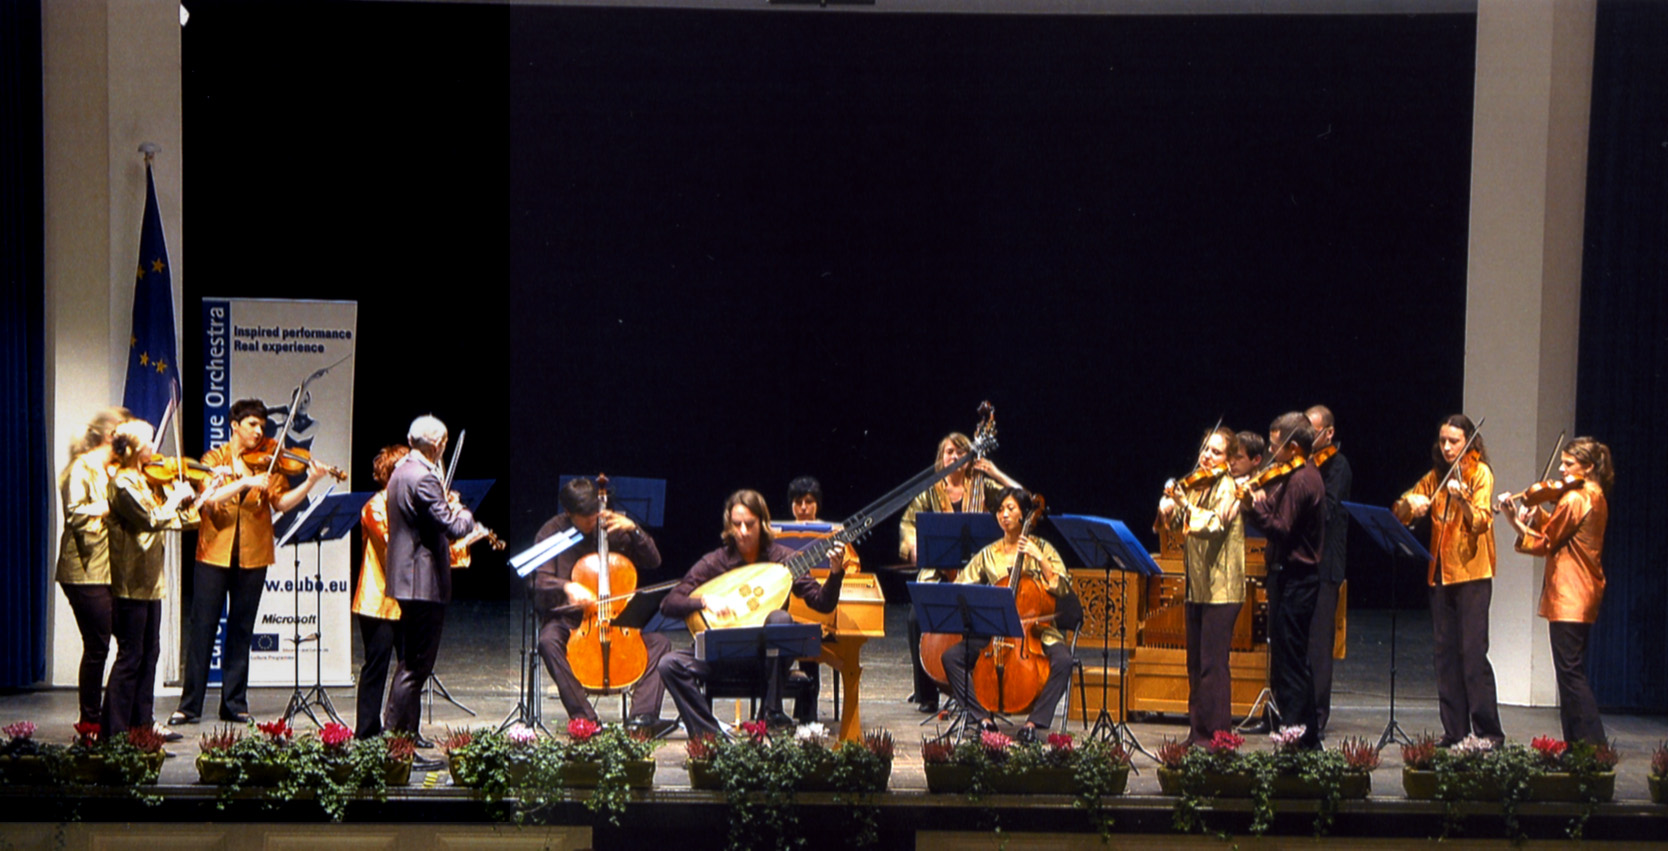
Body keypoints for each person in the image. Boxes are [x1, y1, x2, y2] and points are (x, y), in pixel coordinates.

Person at [171, 398, 330, 726]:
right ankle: (189, 706)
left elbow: (282, 503)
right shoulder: (214, 459)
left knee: (242, 630)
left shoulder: (269, 464)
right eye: (252, 425)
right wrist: (243, 482)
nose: (259, 432)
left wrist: (311, 482)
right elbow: (208, 499)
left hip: (254, 555)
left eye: (262, 426)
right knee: (203, 629)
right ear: (235, 425)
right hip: (214, 553)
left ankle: (234, 703)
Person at [658, 489, 845, 740]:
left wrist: (835, 573)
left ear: (763, 523)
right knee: (669, 664)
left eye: (750, 524)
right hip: (722, 657)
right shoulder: (715, 562)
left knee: (780, 619)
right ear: (729, 526)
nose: (743, 531)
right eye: (737, 525)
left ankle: (768, 717)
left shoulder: (785, 560)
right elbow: (669, 603)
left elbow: (822, 604)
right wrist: (704, 600)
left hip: (767, 661)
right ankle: (711, 736)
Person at [532, 477, 674, 738]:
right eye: (587, 518)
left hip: (617, 620)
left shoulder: (615, 527)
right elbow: (539, 579)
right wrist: (567, 587)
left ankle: (641, 720)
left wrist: (635, 530)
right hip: (571, 620)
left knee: (660, 645)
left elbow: (653, 561)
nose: (595, 522)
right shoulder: (552, 531)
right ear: (568, 513)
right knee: (548, 642)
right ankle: (586, 720)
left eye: (596, 515)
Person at [1394, 414, 1504, 746]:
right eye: (1442, 440)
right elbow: (1400, 509)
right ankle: (1454, 731)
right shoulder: (1436, 476)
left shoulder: (1479, 473)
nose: (1446, 447)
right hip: (1439, 574)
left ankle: (1488, 733)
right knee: (1445, 656)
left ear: (1469, 442)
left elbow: (1482, 521)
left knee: (1472, 655)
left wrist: (1462, 500)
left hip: (1471, 573)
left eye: (1453, 441)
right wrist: (1408, 505)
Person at [1499, 436, 1613, 745]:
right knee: (1569, 674)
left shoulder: (1575, 499)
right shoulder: (1595, 495)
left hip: (1570, 594)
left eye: (1569, 464)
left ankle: (1592, 747)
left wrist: (1513, 520)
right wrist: (1535, 516)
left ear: (1588, 467)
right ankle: (1577, 746)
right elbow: (1563, 530)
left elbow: (1547, 543)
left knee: (1570, 675)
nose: (1561, 470)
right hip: (1583, 592)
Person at [898, 433, 1021, 714]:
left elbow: (1023, 500)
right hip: (940, 576)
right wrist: (912, 545)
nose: (954, 457)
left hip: (977, 575)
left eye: (960, 452)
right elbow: (907, 525)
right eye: (949, 452)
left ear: (969, 459)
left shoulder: (983, 487)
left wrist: (996, 473)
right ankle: (926, 694)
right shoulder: (929, 492)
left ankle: (976, 688)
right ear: (941, 458)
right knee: (917, 616)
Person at [384, 415, 481, 767]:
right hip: (421, 580)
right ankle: (397, 745)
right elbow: (453, 527)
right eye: (443, 442)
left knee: (412, 662)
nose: (444, 447)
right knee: (415, 666)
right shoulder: (424, 477)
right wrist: (464, 511)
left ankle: (405, 736)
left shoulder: (402, 469)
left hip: (407, 578)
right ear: (436, 444)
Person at [942, 487, 1076, 743]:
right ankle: (982, 719)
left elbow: (1063, 587)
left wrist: (1040, 559)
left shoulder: (1042, 548)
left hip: (1036, 632)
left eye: (1010, 509)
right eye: (1000, 510)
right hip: (996, 632)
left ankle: (1034, 722)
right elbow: (960, 585)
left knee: (1063, 661)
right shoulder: (988, 554)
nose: (1004, 515)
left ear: (1024, 515)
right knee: (951, 657)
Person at [102, 420, 204, 736]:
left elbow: (177, 522)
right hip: (129, 583)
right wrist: (174, 499)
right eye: (149, 442)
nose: (155, 448)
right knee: (130, 657)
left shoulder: (147, 481)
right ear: (133, 448)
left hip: (150, 581)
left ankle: (142, 724)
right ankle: (114, 732)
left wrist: (198, 498)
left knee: (150, 655)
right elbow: (150, 520)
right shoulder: (122, 484)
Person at [1242, 411, 1326, 749]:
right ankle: (1306, 740)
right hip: (1287, 578)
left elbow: (1280, 529)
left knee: (1291, 665)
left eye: (1276, 446)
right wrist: (1255, 501)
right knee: (1288, 661)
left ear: (1293, 447)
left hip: (1298, 579)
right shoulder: (1291, 476)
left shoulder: (1304, 479)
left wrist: (1255, 506)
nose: (1272, 453)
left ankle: (1296, 741)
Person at [1157, 427, 1245, 745]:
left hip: (1222, 590)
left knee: (1212, 667)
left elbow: (1213, 524)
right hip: (1197, 587)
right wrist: (1168, 506)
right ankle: (1197, 733)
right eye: (1205, 449)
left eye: (1216, 452)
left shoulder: (1228, 488)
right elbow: (1178, 518)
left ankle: (1218, 737)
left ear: (1230, 459)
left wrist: (1185, 505)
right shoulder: (1197, 485)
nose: (1207, 456)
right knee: (1194, 665)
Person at [54, 407, 130, 726]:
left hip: (110, 568)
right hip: (84, 571)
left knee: (130, 643)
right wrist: (117, 505)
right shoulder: (80, 469)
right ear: (112, 435)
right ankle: (91, 721)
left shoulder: (110, 469)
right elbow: (76, 516)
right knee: (98, 645)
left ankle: (121, 718)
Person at [774, 475, 862, 723]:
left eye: (809, 502)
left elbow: (852, 565)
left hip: (820, 603)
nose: (803, 508)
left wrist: (833, 573)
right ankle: (781, 712)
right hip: (792, 604)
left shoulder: (833, 533)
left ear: (817, 504)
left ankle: (806, 715)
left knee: (808, 633)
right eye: (798, 502)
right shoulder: (779, 537)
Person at [350, 444, 410, 740]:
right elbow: (393, 549)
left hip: (408, 599)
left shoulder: (410, 504)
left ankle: (407, 729)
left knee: (410, 667)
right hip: (378, 600)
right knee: (377, 664)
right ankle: (367, 730)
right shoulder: (374, 506)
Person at [1304, 405, 1351, 738]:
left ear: (1328, 433)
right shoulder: (1304, 463)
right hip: (1300, 562)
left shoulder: (1338, 465)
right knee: (1295, 641)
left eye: (1313, 430)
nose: (1307, 437)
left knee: (1319, 645)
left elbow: (1329, 510)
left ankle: (1317, 714)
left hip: (1325, 565)